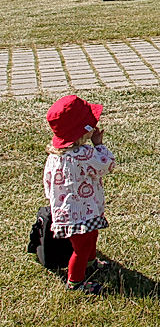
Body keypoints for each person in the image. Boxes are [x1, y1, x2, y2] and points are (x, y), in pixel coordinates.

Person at [44, 95, 116, 294]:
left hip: (68, 212)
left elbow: (48, 182)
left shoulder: (55, 156)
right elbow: (107, 164)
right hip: (81, 212)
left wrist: (53, 201)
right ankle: (75, 281)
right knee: (81, 248)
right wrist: (99, 145)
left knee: (90, 236)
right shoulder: (84, 154)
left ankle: (91, 262)